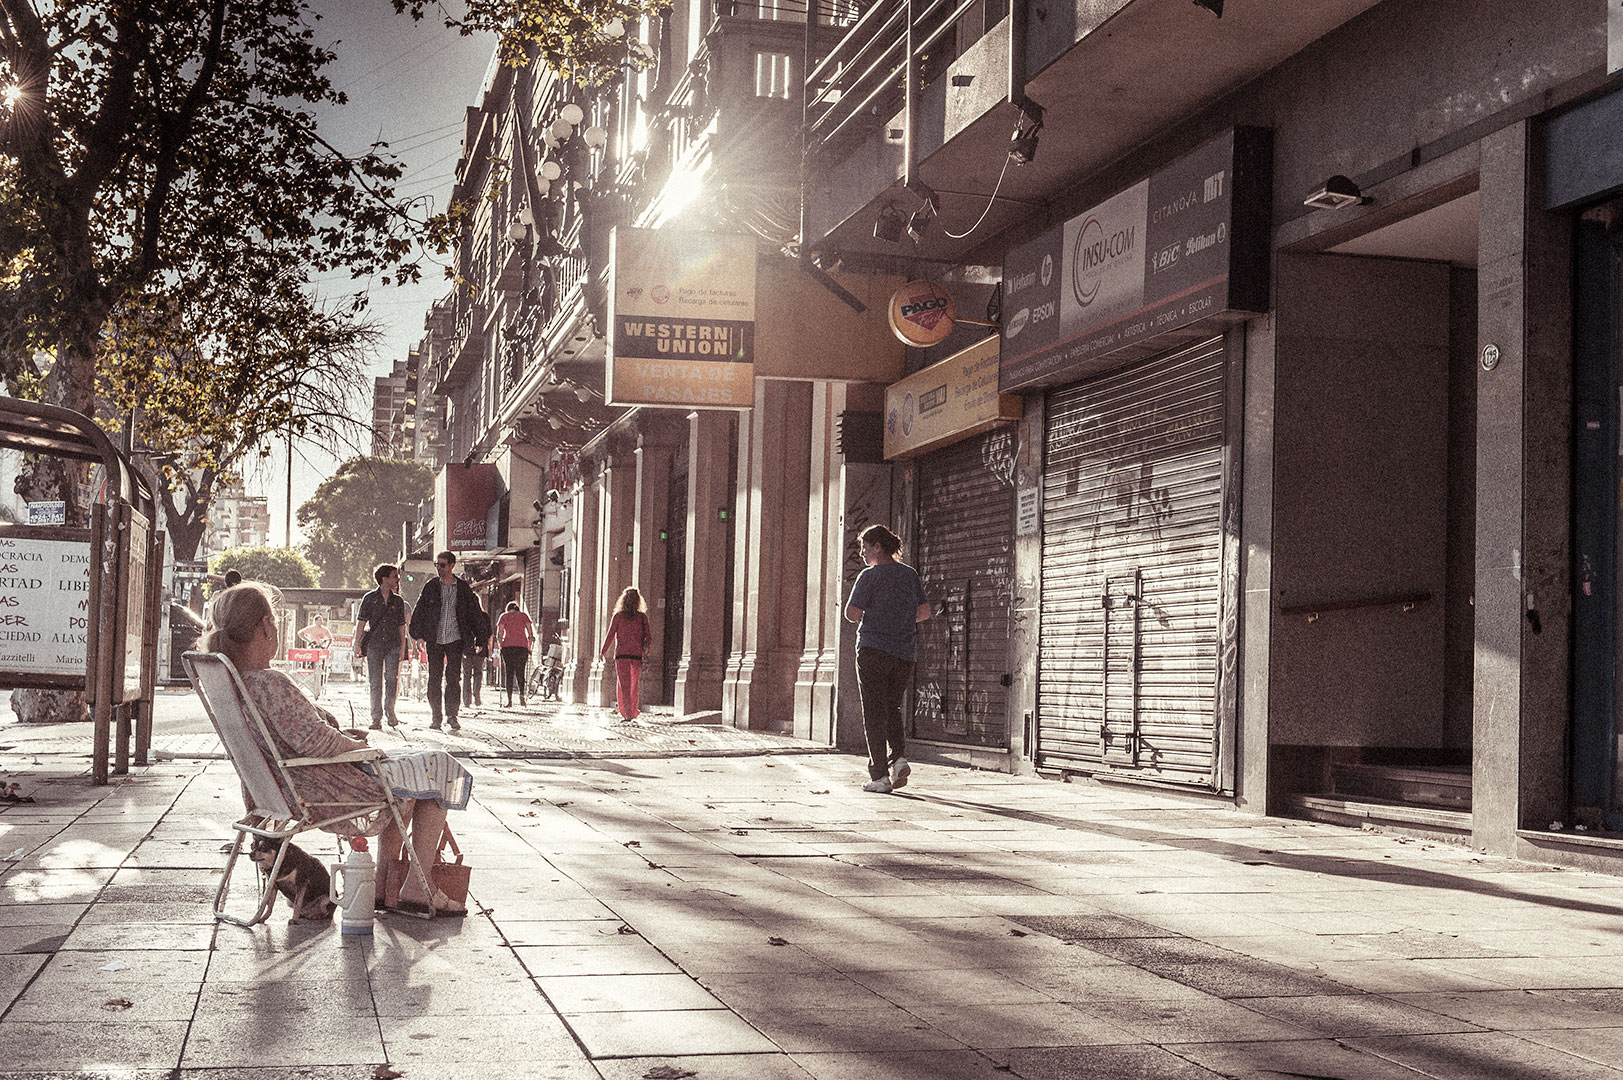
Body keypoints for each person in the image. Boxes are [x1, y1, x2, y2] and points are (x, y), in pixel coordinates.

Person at [201, 582, 472, 916]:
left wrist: (340, 734)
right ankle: (418, 887)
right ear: (266, 627)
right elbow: (315, 740)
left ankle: (385, 889)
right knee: (435, 769)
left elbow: (295, 735)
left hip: (276, 789)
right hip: (321, 787)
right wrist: (354, 744)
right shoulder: (270, 683)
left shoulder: (234, 683)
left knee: (409, 775)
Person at [844, 524, 931, 794]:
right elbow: (925, 612)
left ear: (877, 547)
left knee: (873, 711)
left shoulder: (869, 576)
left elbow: (852, 613)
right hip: (904, 653)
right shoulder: (909, 575)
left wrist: (872, 614)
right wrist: (901, 619)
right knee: (892, 706)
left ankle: (880, 775)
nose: (861, 553)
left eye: (864, 547)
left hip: (873, 649)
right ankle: (899, 758)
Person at [407, 551, 485, 732]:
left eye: (442, 565)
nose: (439, 569)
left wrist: (480, 638)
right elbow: (420, 611)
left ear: (451, 566)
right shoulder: (431, 587)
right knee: (434, 678)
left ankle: (452, 716)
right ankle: (436, 717)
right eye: (437, 565)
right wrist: (418, 635)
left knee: (453, 678)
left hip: (455, 639)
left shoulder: (463, 588)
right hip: (435, 639)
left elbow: (475, 614)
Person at [356, 563, 411, 731]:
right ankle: (376, 717)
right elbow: (361, 623)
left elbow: (402, 626)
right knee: (375, 682)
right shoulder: (369, 598)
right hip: (375, 645)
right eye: (394, 576)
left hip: (393, 644)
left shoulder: (398, 601)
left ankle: (390, 712)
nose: (397, 579)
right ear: (384, 578)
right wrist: (357, 645)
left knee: (391, 679)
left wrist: (403, 648)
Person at [599, 587, 651, 720]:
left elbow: (610, 634)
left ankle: (627, 713)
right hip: (636, 656)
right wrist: (646, 651)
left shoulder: (618, 616)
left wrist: (603, 651)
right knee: (634, 685)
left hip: (621, 656)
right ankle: (633, 711)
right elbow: (648, 637)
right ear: (639, 601)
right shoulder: (642, 617)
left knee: (624, 685)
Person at [496, 601, 535, 707]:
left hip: (508, 647)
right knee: (520, 672)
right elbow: (530, 634)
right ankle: (522, 697)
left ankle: (509, 701)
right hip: (522, 647)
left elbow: (499, 633)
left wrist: (500, 646)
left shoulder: (504, 616)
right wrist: (529, 647)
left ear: (508, 609)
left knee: (509, 673)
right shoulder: (524, 616)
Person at [460, 595, 492, 709]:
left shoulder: (464, 616)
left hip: (467, 649)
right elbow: (489, 635)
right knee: (478, 673)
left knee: (466, 674)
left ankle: (466, 700)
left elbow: (461, 633)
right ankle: (476, 695)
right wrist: (490, 649)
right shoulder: (485, 616)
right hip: (481, 649)